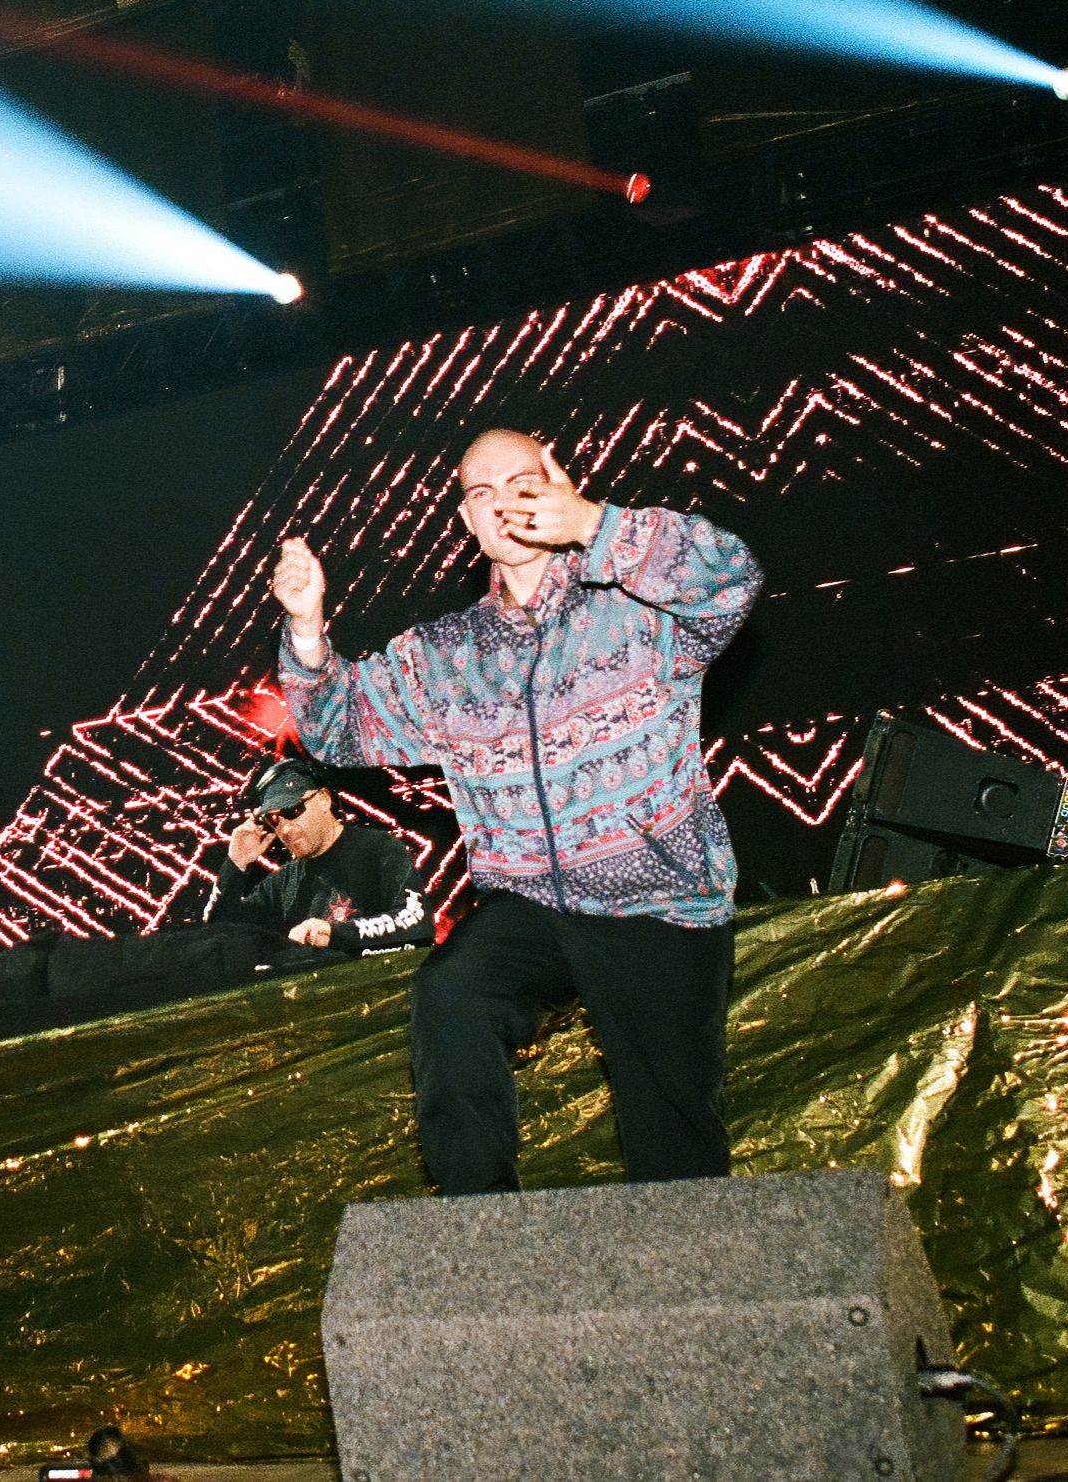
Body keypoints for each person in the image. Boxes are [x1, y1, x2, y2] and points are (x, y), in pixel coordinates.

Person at [272, 429, 761, 1190]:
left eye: (521, 482)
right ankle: (480, 1236)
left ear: (558, 482)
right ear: (467, 522)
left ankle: (695, 1286)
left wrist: (594, 525)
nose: (503, 503)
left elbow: (732, 578)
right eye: (480, 494)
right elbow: (338, 726)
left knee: (676, 1145)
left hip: (659, 900)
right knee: (450, 992)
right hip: (531, 898)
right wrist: (306, 629)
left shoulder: (638, 610)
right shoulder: (445, 654)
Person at [207, 754, 429, 956]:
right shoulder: (283, 882)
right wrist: (235, 866)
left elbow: (416, 922)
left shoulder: (379, 849)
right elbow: (219, 936)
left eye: (292, 811)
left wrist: (334, 934)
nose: (284, 829)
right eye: (273, 820)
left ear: (324, 799)